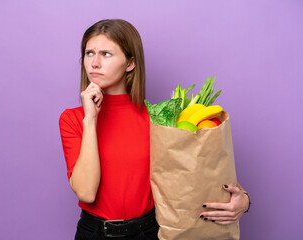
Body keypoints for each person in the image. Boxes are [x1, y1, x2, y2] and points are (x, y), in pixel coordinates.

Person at [59, 19, 250, 240]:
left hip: (150, 232)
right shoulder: (73, 119)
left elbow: (198, 172)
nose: (94, 63)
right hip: (95, 234)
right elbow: (86, 192)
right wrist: (91, 119)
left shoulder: (157, 117)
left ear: (130, 63)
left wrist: (244, 199)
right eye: (89, 53)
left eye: (106, 54)